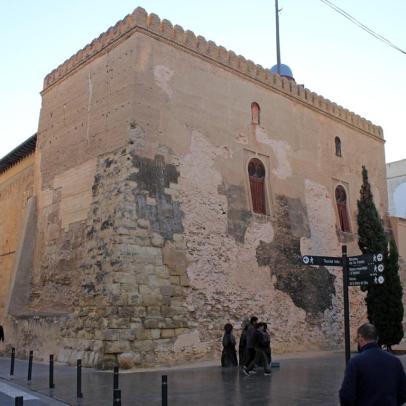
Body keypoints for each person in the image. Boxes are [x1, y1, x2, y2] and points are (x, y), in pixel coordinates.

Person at [339, 323, 406, 406]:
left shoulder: (355, 362)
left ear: (360, 338)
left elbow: (346, 396)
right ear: (377, 339)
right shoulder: (395, 361)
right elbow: (403, 392)